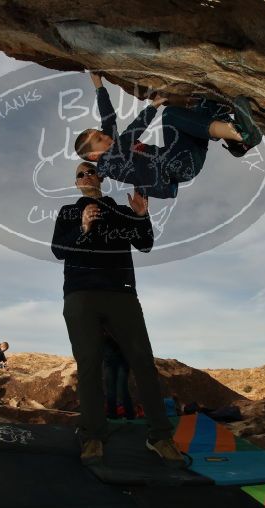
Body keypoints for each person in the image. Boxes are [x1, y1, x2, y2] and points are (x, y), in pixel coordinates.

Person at [51, 161, 184, 466]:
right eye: (79, 174)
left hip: (121, 294)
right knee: (88, 365)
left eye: (90, 171)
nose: (86, 176)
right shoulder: (68, 212)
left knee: (143, 362)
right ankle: (93, 436)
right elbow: (58, 249)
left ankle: (160, 436)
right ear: (76, 184)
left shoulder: (120, 210)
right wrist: (82, 227)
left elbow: (145, 244)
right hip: (80, 294)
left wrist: (141, 215)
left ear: (100, 177)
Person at [74, 72, 262, 199]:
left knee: (203, 106)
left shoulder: (110, 146)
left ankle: (237, 144)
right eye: (100, 139)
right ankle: (241, 134)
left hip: (183, 155)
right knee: (170, 114)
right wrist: (154, 105)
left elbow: (108, 119)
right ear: (93, 156)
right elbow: (131, 134)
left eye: (101, 135)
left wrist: (98, 84)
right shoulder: (107, 163)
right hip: (176, 165)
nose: (106, 137)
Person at [102, 331, 135, 420]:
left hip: (123, 360)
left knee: (122, 388)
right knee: (110, 389)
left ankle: (130, 415)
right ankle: (112, 415)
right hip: (109, 359)